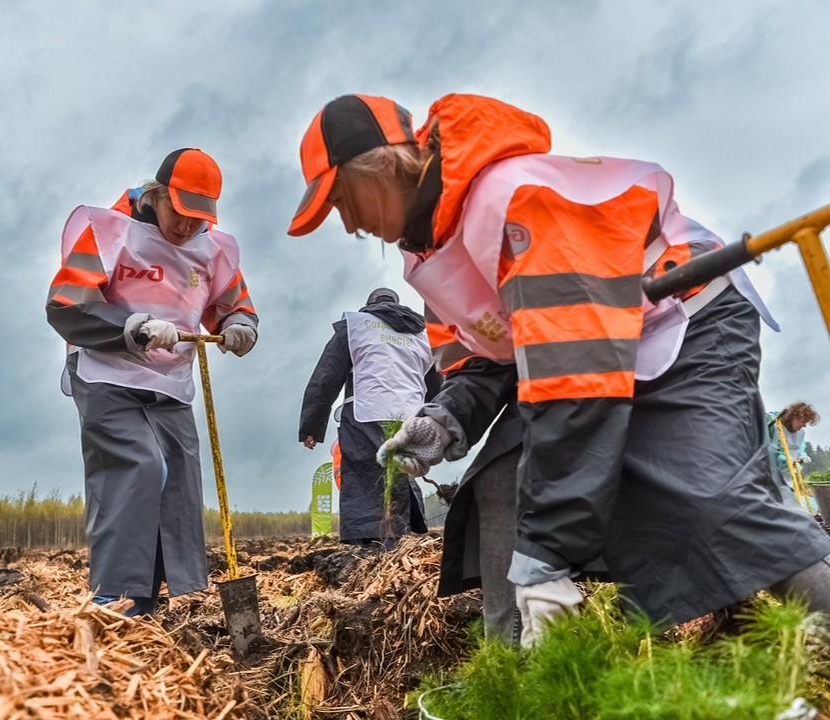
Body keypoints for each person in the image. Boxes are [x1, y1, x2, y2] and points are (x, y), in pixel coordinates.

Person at [288, 93, 830, 646]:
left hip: (685, 317)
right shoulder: (426, 255)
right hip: (585, 350)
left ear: (381, 170)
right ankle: (512, 667)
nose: (348, 223)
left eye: (343, 200)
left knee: (715, 499)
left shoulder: (511, 201)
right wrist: (444, 418)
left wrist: (546, 556)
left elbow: (576, 381)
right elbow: (487, 356)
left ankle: (817, 630)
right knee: (499, 474)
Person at [47, 148, 258, 616]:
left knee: (178, 484)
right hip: (108, 374)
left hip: (172, 384)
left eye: (198, 220)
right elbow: (65, 304)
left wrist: (242, 325)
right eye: (178, 215)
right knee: (140, 467)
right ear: (158, 195)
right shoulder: (108, 233)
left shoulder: (213, 249)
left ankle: (152, 598)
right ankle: (113, 598)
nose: (185, 229)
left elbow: (235, 302)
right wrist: (133, 327)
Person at [298, 287, 439, 548]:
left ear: (369, 306)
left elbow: (326, 377)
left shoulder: (355, 325)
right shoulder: (423, 334)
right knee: (400, 472)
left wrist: (312, 426)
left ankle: (370, 544)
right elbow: (435, 383)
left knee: (364, 473)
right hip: (411, 415)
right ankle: (405, 535)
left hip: (367, 411)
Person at [768, 402, 820, 489]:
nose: (804, 426)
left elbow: (800, 449)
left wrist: (802, 457)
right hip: (768, 477)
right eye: (803, 421)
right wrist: (783, 458)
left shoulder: (800, 433)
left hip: (787, 480)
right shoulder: (774, 423)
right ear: (793, 416)